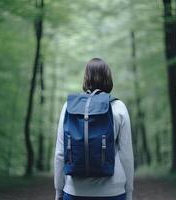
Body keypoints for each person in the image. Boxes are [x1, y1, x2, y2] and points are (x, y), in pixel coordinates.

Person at [54, 58, 134, 200]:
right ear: (108, 78)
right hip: (112, 192)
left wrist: (58, 190)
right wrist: (129, 191)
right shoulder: (118, 106)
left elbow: (60, 154)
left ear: (86, 78)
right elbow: (126, 155)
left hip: (75, 191)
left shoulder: (68, 107)